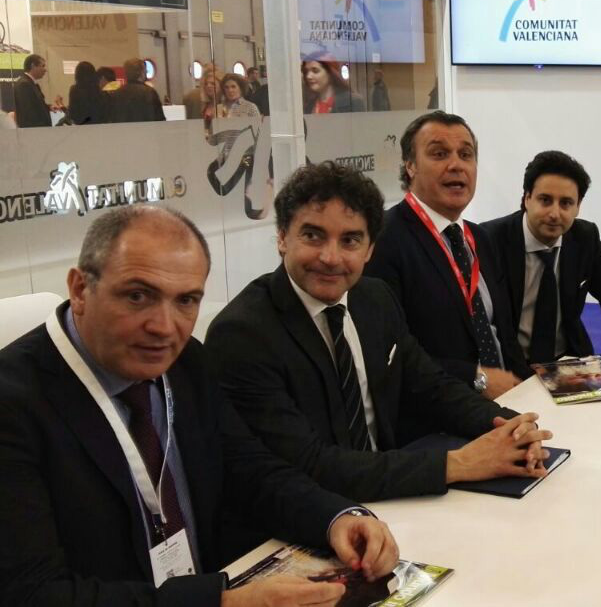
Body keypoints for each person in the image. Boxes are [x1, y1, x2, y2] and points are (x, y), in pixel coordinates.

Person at [0, 205, 398, 606]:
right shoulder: (13, 404)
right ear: (80, 289)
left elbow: (250, 469)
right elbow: (31, 593)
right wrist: (222, 603)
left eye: (186, 300)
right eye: (138, 296)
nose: (163, 326)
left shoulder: (185, 360)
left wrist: (335, 518)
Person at [207, 162, 552, 502]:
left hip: (392, 494)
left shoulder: (374, 298)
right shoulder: (242, 334)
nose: (331, 257)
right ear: (282, 237)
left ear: (370, 249)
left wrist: (511, 428)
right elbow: (308, 464)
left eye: (350, 240)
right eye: (313, 235)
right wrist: (459, 464)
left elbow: (431, 386)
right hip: (313, 514)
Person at [365, 111, 528, 407]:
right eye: (439, 154)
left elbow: (501, 332)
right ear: (410, 166)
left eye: (466, 154)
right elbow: (390, 350)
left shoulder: (480, 238)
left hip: (511, 401)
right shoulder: (384, 239)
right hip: (440, 413)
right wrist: (476, 379)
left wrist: (530, 387)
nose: (456, 165)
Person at [482, 150, 601, 363]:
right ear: (527, 198)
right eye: (545, 200)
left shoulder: (585, 238)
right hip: (509, 366)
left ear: (578, 207)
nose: (555, 214)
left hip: (570, 363)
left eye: (565, 203)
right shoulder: (489, 240)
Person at [110, 58, 166, 123]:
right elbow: (159, 119)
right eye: (145, 70)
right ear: (141, 73)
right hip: (146, 128)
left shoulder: (117, 94)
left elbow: (112, 119)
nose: (147, 72)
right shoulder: (150, 93)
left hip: (124, 129)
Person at [13, 53, 52, 127]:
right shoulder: (24, 84)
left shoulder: (32, 84)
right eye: (42, 66)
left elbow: (36, 105)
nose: (45, 70)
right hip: (33, 130)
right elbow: (28, 111)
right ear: (33, 66)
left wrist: (49, 107)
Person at [68, 60, 111, 125]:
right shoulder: (100, 91)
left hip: (82, 126)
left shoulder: (75, 90)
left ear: (77, 75)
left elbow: (73, 114)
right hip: (99, 126)